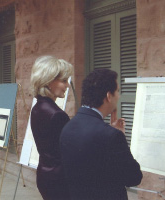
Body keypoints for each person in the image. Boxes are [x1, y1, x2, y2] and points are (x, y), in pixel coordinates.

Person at [60, 68, 143, 200]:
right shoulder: (112, 136)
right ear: (109, 96)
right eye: (118, 91)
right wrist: (120, 137)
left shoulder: (68, 127)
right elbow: (133, 177)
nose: (119, 96)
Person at [30, 55, 73, 200]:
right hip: (60, 181)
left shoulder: (37, 107)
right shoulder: (57, 114)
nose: (67, 85)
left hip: (44, 175)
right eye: (64, 81)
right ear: (49, 82)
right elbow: (69, 152)